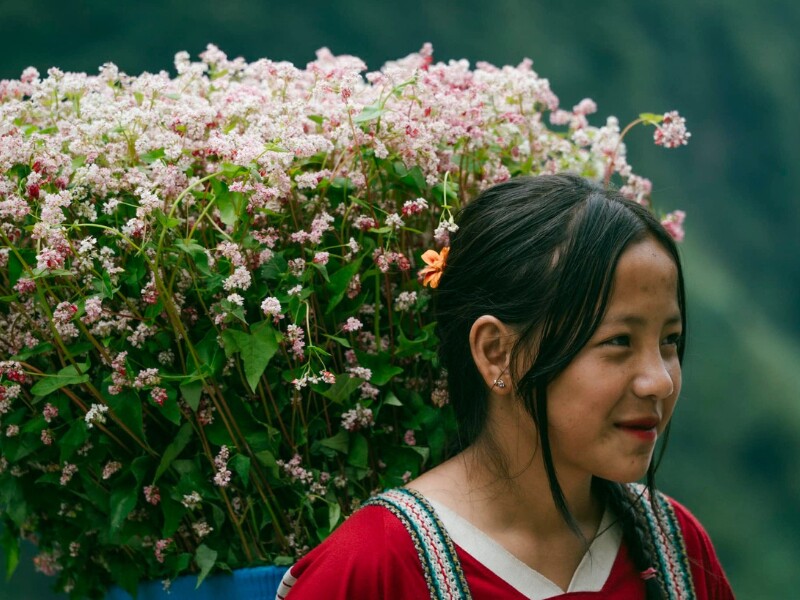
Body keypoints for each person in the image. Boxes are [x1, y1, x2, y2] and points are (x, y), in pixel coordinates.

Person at [276, 174, 735, 599]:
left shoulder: (676, 547)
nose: (658, 380)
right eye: (618, 341)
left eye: (670, 341)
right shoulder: (377, 565)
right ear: (497, 352)